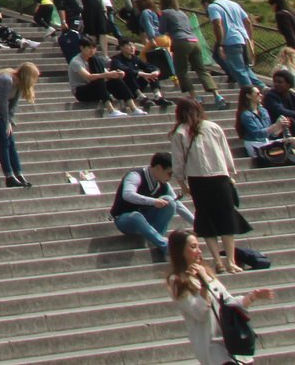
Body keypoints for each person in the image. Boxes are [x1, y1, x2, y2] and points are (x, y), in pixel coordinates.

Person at [172, 96, 250, 275]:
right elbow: (225, 152)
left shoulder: (180, 132)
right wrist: (230, 173)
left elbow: (178, 161)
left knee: (206, 220)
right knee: (226, 218)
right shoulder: (213, 127)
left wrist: (182, 183)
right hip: (219, 177)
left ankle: (218, 261)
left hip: (197, 179)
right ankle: (230, 261)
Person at [168, 229, 270, 365]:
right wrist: (204, 284)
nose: (199, 251)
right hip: (212, 345)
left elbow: (227, 301)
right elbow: (199, 313)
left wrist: (252, 297)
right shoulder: (177, 281)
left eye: (198, 246)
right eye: (193, 247)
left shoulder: (206, 271)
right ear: (180, 251)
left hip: (232, 340)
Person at [0, 62, 40, 187]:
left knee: (11, 142)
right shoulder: (7, 79)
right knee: (4, 140)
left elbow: (13, 105)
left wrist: (9, 120)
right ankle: (9, 176)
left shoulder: (19, 84)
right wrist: (6, 122)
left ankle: (18, 174)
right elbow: (3, 103)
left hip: (1, 113)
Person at [113, 152, 189, 258]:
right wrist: (153, 201)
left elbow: (177, 205)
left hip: (146, 217)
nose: (170, 177)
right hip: (125, 219)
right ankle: (166, 246)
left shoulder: (163, 184)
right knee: (136, 216)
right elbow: (127, 194)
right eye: (169, 173)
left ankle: (157, 238)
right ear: (158, 168)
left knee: (170, 201)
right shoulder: (135, 176)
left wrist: (196, 223)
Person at [160, 0, 224, 104]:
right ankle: (217, 95)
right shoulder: (182, 13)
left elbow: (161, 30)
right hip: (194, 41)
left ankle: (194, 96)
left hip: (180, 42)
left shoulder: (165, 13)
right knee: (201, 70)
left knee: (181, 71)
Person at [203, 0, 264, 91]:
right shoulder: (234, 4)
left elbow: (217, 24)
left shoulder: (213, 7)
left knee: (239, 70)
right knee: (245, 68)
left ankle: (250, 92)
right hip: (243, 39)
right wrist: (250, 39)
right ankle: (263, 87)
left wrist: (220, 43)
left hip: (231, 40)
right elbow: (248, 21)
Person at [70, 37, 140, 116]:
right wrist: (108, 74)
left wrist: (116, 74)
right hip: (81, 91)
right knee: (99, 80)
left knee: (116, 81)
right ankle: (111, 110)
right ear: (82, 48)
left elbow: (106, 74)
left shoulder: (95, 60)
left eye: (94, 48)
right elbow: (88, 77)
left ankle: (134, 108)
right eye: (89, 48)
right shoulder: (76, 61)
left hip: (96, 88)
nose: (92, 50)